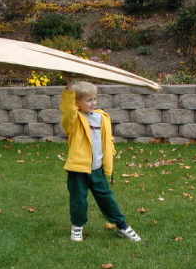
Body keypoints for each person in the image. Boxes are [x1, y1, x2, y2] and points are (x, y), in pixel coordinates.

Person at [60, 81, 141, 242]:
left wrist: (108, 160)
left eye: (94, 99)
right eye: (88, 100)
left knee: (107, 199)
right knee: (78, 200)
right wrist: (69, 93)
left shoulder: (102, 117)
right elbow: (68, 111)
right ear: (77, 103)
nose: (93, 103)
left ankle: (122, 225)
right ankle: (77, 227)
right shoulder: (74, 121)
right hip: (78, 170)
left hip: (98, 169)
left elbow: (107, 141)